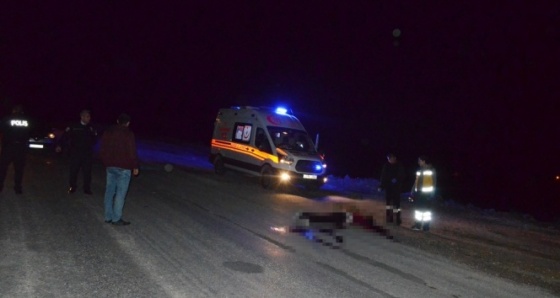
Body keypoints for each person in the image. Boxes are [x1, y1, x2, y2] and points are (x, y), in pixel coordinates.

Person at [99, 113, 139, 226]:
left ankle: (108, 216)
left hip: (110, 166)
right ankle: (116, 218)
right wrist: (135, 166)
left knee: (109, 191)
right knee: (120, 194)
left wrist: (106, 161)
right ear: (128, 123)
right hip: (124, 168)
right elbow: (132, 151)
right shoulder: (128, 134)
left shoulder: (108, 132)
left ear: (117, 121)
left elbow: (102, 149)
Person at [56, 109, 98, 194]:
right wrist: (59, 145)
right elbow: (65, 136)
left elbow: (95, 139)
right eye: (87, 116)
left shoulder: (91, 127)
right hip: (75, 153)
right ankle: (72, 187)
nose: (89, 118)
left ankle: (87, 188)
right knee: (74, 171)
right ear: (82, 117)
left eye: (89, 117)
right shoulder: (74, 126)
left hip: (87, 153)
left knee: (87, 172)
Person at [0, 105, 32, 194]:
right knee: (19, 169)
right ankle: (18, 188)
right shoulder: (27, 120)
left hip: (8, 147)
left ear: (13, 110)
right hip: (21, 148)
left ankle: (0, 186)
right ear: (21, 111)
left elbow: (1, 128)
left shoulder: (7, 119)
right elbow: (30, 131)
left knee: (2, 168)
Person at [409, 155, 437, 231]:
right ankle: (418, 225)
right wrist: (412, 191)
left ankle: (426, 227)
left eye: (419, 160)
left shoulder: (431, 170)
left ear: (424, 161)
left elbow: (434, 183)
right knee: (418, 210)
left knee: (427, 211)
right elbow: (416, 182)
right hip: (419, 193)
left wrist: (432, 194)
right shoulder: (419, 170)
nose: (418, 162)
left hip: (427, 194)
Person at [378, 153, 406, 225]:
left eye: (390, 158)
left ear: (394, 158)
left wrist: (397, 179)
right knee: (388, 205)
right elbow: (383, 176)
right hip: (388, 188)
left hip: (396, 188)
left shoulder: (399, 166)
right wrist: (381, 186)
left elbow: (402, 175)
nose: (389, 160)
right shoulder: (386, 166)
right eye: (388, 159)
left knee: (397, 205)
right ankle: (389, 218)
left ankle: (398, 219)